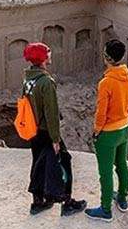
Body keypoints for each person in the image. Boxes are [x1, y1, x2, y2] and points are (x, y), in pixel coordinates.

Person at [23, 42, 86, 217]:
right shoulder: (46, 82)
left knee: (38, 164)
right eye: (48, 52)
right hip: (45, 131)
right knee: (63, 162)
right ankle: (67, 202)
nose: (50, 54)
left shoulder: (28, 79)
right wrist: (55, 139)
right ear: (43, 58)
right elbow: (51, 113)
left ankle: (38, 202)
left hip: (34, 131)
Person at [85, 40, 128, 223]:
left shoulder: (106, 82)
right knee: (121, 164)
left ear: (106, 57)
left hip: (109, 133)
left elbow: (101, 112)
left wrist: (97, 131)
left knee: (105, 172)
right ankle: (122, 199)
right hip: (125, 128)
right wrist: (124, 119)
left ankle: (105, 209)